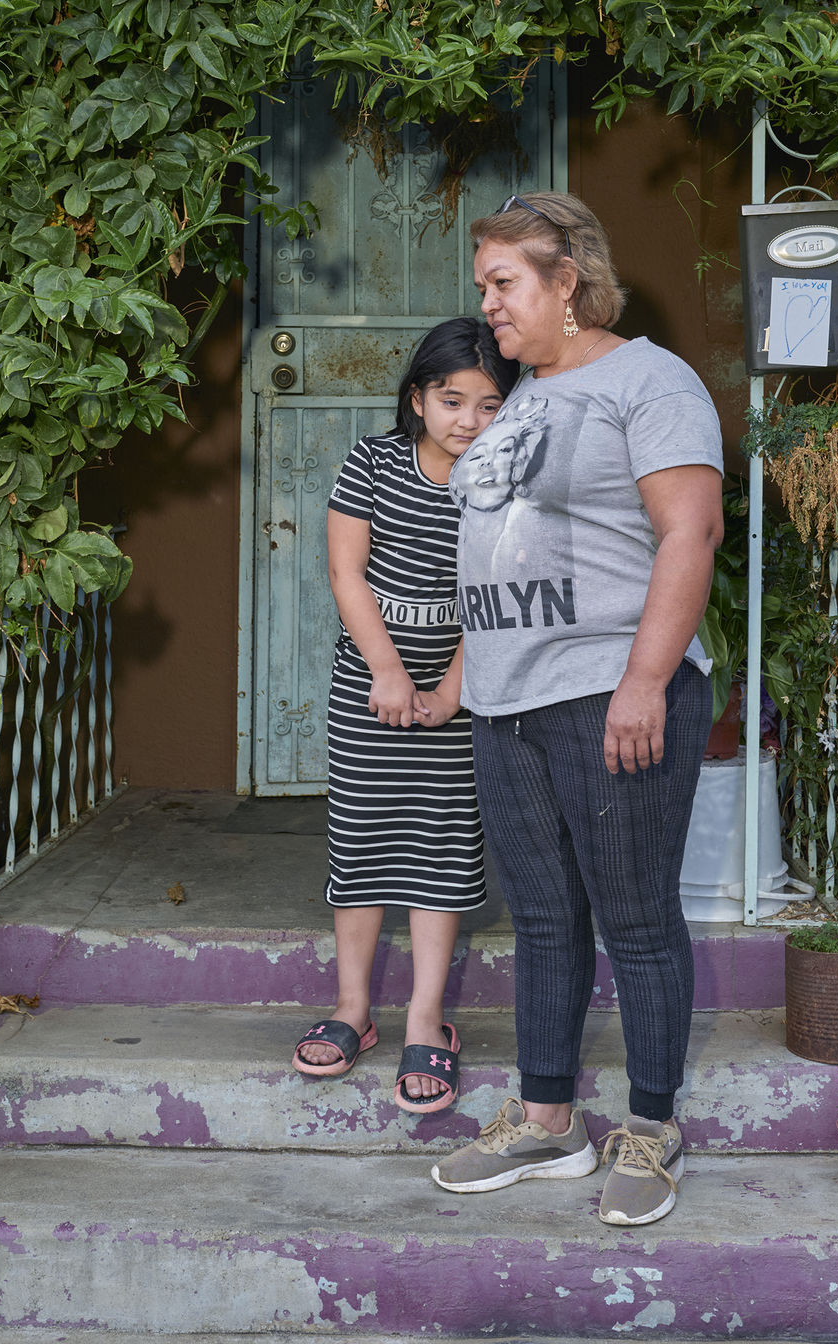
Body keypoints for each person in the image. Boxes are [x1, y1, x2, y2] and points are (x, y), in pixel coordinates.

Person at [433, 191, 724, 1224]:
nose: (489, 305)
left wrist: (645, 679)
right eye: (484, 286)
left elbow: (687, 531)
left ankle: (648, 1130)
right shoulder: (519, 401)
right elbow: (494, 549)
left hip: (608, 687)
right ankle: (547, 1121)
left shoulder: (647, 380)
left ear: (567, 281)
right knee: (543, 918)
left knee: (635, 917)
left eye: (503, 284)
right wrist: (467, 679)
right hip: (508, 702)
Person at [293, 317, 520, 1114]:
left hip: (460, 693)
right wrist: (387, 671)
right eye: (451, 399)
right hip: (370, 686)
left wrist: (455, 684)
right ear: (417, 398)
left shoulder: (504, 481)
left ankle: (427, 1018)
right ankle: (354, 1008)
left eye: (488, 405)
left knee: (439, 845)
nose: (467, 420)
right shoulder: (375, 463)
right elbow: (346, 571)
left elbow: (500, 589)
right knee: (362, 837)